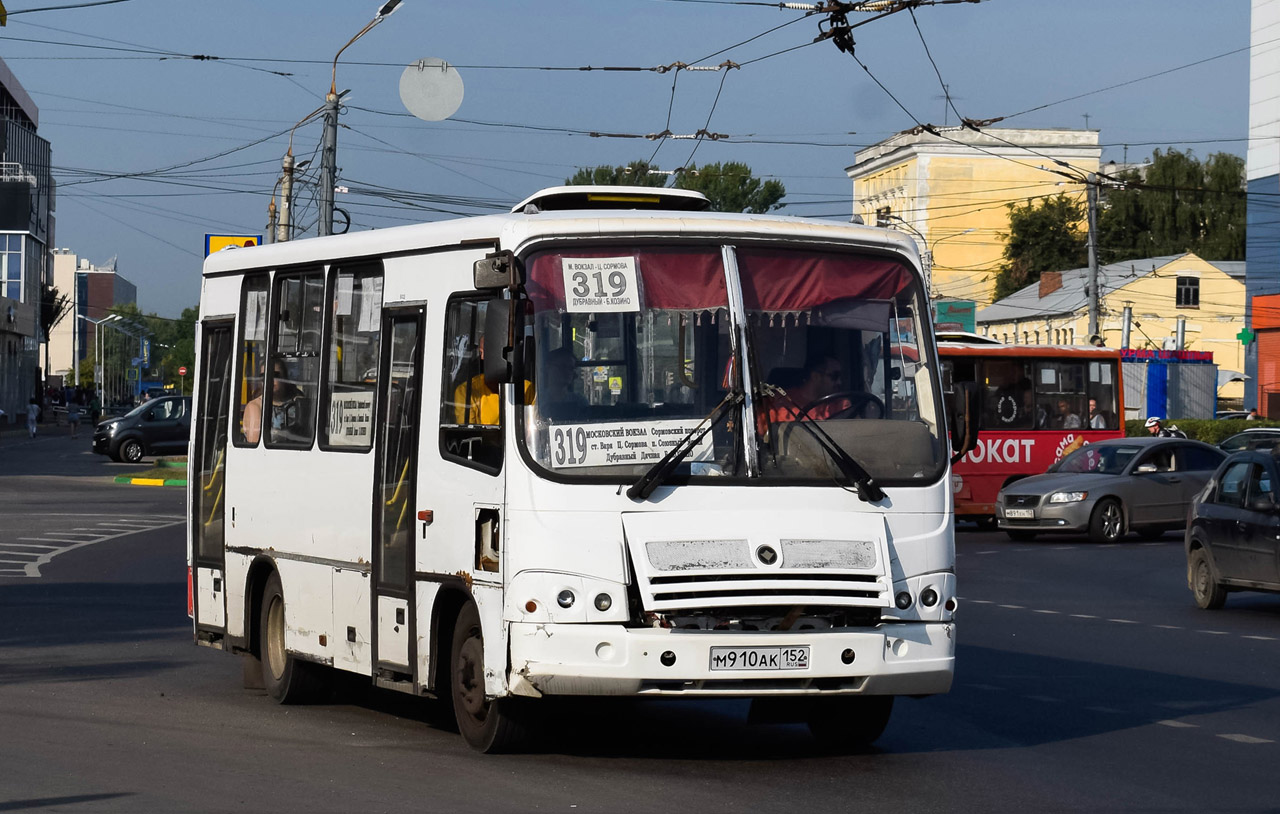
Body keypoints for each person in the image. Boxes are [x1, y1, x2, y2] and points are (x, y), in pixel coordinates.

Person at [242, 361, 302, 444]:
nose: (268, 380)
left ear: (284, 378)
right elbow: (255, 441)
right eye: (263, 376)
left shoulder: (298, 402)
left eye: (274, 375)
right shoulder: (256, 406)